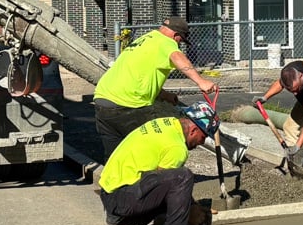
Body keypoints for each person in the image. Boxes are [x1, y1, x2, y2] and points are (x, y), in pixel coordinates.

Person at [98, 106, 216, 225]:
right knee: (183, 176)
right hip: (123, 198)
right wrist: (191, 210)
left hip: (110, 192)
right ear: (194, 130)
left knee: (168, 184)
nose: (201, 143)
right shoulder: (177, 148)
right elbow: (172, 188)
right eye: (203, 137)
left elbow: (159, 185)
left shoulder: (165, 123)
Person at [91, 16, 219, 159]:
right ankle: (159, 177)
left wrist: (165, 95)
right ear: (176, 35)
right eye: (180, 40)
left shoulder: (144, 40)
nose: (179, 44)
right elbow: (177, 57)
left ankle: (116, 180)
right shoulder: (166, 42)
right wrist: (201, 81)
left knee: (115, 156)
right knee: (152, 146)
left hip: (102, 100)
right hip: (127, 105)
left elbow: (140, 76)